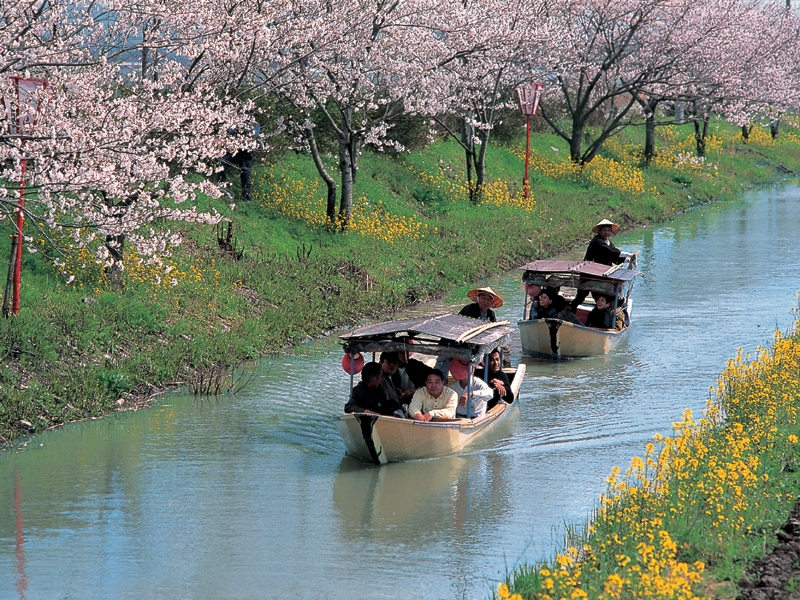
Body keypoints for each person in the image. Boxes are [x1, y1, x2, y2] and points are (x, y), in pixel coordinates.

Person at [571, 219, 630, 310]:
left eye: (608, 230)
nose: (607, 233)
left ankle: (610, 311)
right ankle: (570, 309)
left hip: (601, 275)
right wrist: (627, 255)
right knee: (581, 296)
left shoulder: (609, 243)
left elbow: (614, 257)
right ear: (600, 231)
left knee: (602, 297)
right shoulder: (597, 241)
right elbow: (610, 252)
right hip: (589, 274)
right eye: (604, 230)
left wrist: (626, 260)